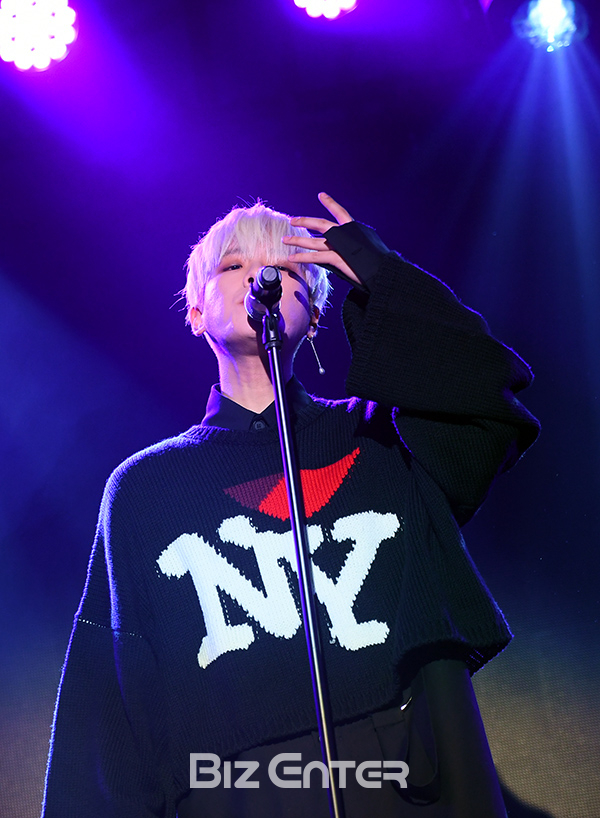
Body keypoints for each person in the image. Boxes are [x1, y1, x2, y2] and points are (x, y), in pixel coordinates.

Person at [42, 193, 540, 818]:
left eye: (286, 267)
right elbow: (108, 708)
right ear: (195, 310)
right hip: (237, 792)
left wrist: (384, 278)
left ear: (317, 309)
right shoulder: (145, 487)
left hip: (406, 779)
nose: (262, 277)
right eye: (234, 265)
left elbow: (491, 398)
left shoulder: (384, 440)